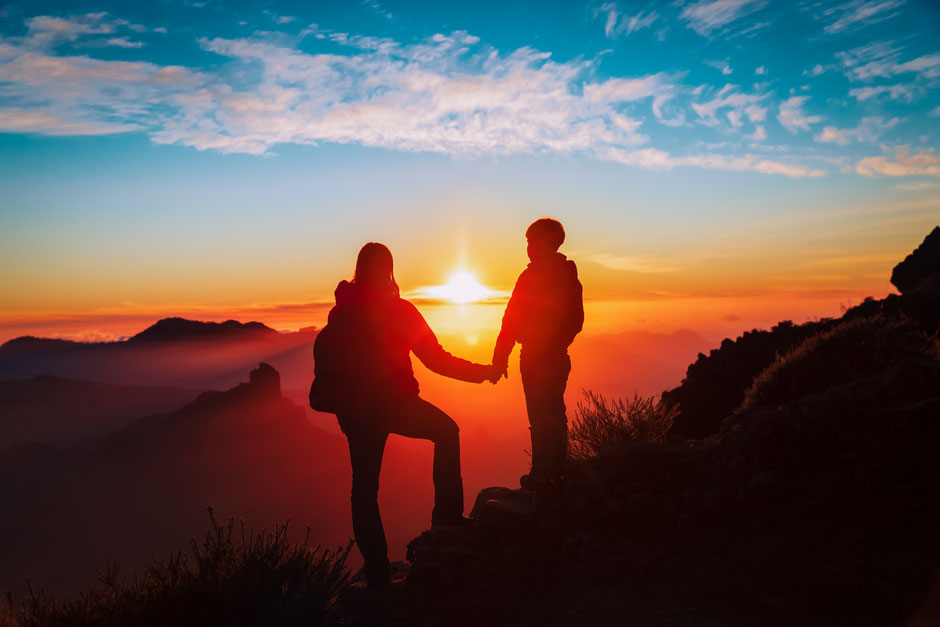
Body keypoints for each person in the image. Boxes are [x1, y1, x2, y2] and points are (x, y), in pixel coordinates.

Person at [313, 242, 495, 590]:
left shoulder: (342, 310)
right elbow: (436, 360)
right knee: (446, 431)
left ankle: (378, 575)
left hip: (355, 411)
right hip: (393, 403)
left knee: (364, 489)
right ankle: (446, 519)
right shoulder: (398, 310)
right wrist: (481, 372)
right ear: (388, 269)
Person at [490, 218, 584, 496]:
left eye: (531, 241)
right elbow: (576, 320)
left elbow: (511, 320)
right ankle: (556, 471)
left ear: (545, 242)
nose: (528, 248)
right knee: (555, 413)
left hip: (534, 357)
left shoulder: (530, 277)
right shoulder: (568, 273)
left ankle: (544, 477)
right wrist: (557, 344)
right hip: (557, 357)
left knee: (540, 415)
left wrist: (500, 357)